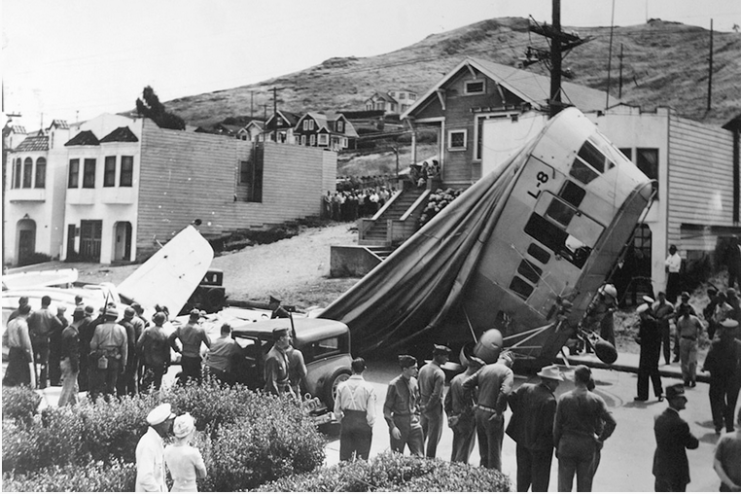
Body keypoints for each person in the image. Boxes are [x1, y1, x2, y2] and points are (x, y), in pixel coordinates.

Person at [554, 365, 616, 492]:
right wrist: (600, 438)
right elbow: (611, 422)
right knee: (585, 487)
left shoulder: (564, 398)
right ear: (588, 380)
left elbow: (557, 426)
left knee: (564, 486)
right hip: (587, 445)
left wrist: (557, 445)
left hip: (567, 445)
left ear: (575, 379)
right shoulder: (597, 400)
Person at [506, 364, 563, 492]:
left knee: (522, 477)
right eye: (556, 382)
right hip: (540, 447)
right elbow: (548, 428)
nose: (558, 385)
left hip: (522, 440)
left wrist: (520, 415)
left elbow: (510, 397)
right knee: (540, 482)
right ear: (549, 381)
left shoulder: (525, 388)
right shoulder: (550, 400)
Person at [463, 350, 515, 471]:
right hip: (492, 415)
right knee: (494, 454)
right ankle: (495, 485)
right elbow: (504, 393)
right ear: (510, 362)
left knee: (484, 452)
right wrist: (498, 413)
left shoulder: (485, 369)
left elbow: (466, 385)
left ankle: (483, 480)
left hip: (480, 412)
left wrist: (474, 404)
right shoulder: (507, 372)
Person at [652, 384, 699, 492]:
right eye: (682, 398)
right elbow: (693, 444)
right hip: (676, 471)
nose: (685, 401)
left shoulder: (658, 418)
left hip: (660, 467)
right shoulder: (681, 424)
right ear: (674, 401)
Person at [444, 344, 484, 464]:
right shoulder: (472, 384)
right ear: (475, 368)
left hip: (454, 419)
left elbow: (447, 402)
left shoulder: (455, 379)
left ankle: (452, 469)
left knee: (456, 447)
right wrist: (458, 418)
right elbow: (470, 406)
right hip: (466, 421)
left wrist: (450, 417)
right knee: (464, 451)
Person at [334, 357, 377, 461]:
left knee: (345, 457)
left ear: (351, 369)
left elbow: (336, 410)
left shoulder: (341, 386)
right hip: (363, 423)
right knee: (362, 457)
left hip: (347, 421)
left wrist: (341, 419)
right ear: (364, 369)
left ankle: (344, 476)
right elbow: (371, 414)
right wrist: (369, 423)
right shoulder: (369, 388)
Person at [703, 319, 741, 434]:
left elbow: (710, 357)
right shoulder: (738, 345)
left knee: (715, 399)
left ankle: (718, 423)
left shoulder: (716, 343)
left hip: (718, 377)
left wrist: (706, 367)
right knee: (731, 403)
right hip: (733, 378)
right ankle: (729, 426)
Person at [383, 354, 424, 456]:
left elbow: (418, 401)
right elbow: (387, 409)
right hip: (399, 424)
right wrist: (393, 427)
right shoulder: (394, 385)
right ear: (405, 369)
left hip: (413, 423)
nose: (416, 370)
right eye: (413, 368)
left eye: (416, 367)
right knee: (397, 457)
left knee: (419, 456)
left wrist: (417, 416)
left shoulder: (414, 382)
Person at [88, 306, 128, 400]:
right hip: (115, 359)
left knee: (99, 383)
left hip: (101, 359)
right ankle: (108, 402)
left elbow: (93, 345)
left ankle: (97, 403)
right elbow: (124, 348)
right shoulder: (121, 329)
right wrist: (123, 363)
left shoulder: (99, 328)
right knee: (111, 384)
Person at [418, 344, 450, 458]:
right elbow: (436, 395)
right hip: (434, 409)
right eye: (445, 356)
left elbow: (418, 389)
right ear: (439, 356)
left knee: (422, 434)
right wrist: (428, 407)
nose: (447, 359)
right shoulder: (439, 373)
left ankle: (417, 458)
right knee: (434, 438)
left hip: (423, 407)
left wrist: (421, 406)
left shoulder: (423, 369)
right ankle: (430, 461)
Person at [136, 403, 176, 492]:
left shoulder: (156, 442)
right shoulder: (148, 444)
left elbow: (160, 479)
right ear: (162, 424)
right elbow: (145, 478)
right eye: (169, 420)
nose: (170, 423)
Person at [164, 413, 207, 492]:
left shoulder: (167, 450)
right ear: (190, 431)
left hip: (175, 489)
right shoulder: (192, 453)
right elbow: (203, 474)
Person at [27, 294, 61, 389]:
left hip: (35, 338)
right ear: (49, 303)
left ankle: (34, 381)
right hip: (45, 339)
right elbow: (59, 324)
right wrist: (50, 333)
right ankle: (43, 382)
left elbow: (28, 322)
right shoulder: (50, 314)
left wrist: (32, 331)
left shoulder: (36, 313)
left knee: (33, 360)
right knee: (44, 361)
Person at [169, 309, 210, 385]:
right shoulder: (200, 330)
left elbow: (171, 338)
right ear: (198, 318)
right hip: (195, 356)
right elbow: (209, 344)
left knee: (185, 377)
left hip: (185, 356)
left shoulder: (181, 328)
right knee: (197, 379)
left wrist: (177, 349)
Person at [635, 296, 664, 402]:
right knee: (643, 372)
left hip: (652, 352)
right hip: (645, 351)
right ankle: (643, 395)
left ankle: (660, 393)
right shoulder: (644, 323)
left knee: (653, 372)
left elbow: (653, 340)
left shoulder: (653, 324)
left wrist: (640, 340)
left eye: (642, 315)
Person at [2, 304, 35, 388]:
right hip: (21, 352)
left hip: (12, 351)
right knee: (22, 376)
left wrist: (8, 344)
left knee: (12, 373)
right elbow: (26, 342)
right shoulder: (23, 324)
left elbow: (4, 337)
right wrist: (30, 353)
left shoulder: (11, 323)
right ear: (28, 313)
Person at [137, 312, 171, 392]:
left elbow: (139, 344)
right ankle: (155, 401)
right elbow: (167, 351)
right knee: (157, 384)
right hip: (160, 362)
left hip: (148, 360)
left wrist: (141, 356)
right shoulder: (165, 334)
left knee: (146, 382)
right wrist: (168, 363)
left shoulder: (147, 331)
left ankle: (144, 399)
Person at [58, 306, 84, 407]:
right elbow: (73, 352)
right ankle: (60, 409)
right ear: (81, 320)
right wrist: (76, 368)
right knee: (67, 389)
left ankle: (75, 409)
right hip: (70, 362)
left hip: (64, 360)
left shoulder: (66, 330)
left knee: (73, 388)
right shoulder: (74, 333)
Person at [676, 303, 704, 387]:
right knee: (684, 362)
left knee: (692, 361)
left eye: (687, 309)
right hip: (684, 340)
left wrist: (699, 337)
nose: (686, 311)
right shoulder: (680, 320)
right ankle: (686, 379)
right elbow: (678, 330)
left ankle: (693, 379)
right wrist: (679, 339)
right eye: (684, 309)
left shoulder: (694, 319)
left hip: (693, 341)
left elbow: (701, 327)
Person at [714, 408, 741, 492]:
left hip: (727, 488)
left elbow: (716, 465)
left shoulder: (725, 439)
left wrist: (731, 485)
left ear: (738, 420)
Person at [264, 327, 293, 396]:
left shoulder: (282, 352)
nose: (289, 338)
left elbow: (285, 380)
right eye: (287, 336)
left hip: (284, 394)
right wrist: (279, 402)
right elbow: (271, 384)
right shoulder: (273, 358)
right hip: (277, 397)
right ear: (281, 339)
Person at [117, 307, 139, 396]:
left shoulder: (118, 324)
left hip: (118, 352)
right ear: (132, 317)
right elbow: (132, 343)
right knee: (128, 376)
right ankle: (127, 395)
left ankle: (119, 394)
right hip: (128, 355)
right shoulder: (130, 327)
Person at [673, 292, 697, 363]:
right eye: (683, 298)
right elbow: (675, 316)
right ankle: (677, 356)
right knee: (677, 341)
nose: (684, 300)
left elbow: (695, 317)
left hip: (688, 327)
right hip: (680, 326)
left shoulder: (691, 308)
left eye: (685, 298)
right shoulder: (678, 307)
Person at [652, 292, 675, 366]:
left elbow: (674, 313)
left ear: (664, 296)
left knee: (666, 343)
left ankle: (667, 360)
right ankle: (655, 360)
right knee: (656, 343)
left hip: (665, 324)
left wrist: (667, 317)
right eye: (659, 297)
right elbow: (653, 313)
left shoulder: (669, 305)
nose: (661, 298)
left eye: (662, 296)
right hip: (657, 324)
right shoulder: (655, 305)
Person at [77, 305, 96, 392]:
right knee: (87, 367)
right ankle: (85, 385)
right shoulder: (91, 322)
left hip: (81, 346)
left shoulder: (81, 321)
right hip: (87, 346)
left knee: (82, 366)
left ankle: (81, 384)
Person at [49, 305, 68, 386]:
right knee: (59, 362)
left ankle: (52, 379)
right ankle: (57, 380)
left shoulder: (53, 319)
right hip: (60, 343)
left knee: (52, 361)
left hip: (52, 342)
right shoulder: (64, 320)